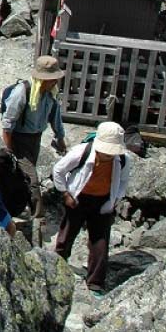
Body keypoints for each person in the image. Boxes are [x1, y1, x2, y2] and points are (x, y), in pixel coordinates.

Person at [53, 121, 132, 294]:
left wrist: (115, 201)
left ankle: (95, 282)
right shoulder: (82, 152)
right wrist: (66, 194)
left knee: (100, 241)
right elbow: (58, 170)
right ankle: (56, 265)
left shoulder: (124, 160)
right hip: (78, 198)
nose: (108, 155)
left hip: (103, 201)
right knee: (67, 233)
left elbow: (123, 182)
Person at [2, 55, 69, 170]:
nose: (55, 82)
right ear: (41, 79)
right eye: (51, 79)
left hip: (36, 139)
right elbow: (7, 123)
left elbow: (55, 118)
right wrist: (9, 151)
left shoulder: (51, 93)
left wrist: (61, 139)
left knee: (26, 175)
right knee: (32, 182)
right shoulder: (22, 92)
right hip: (19, 140)